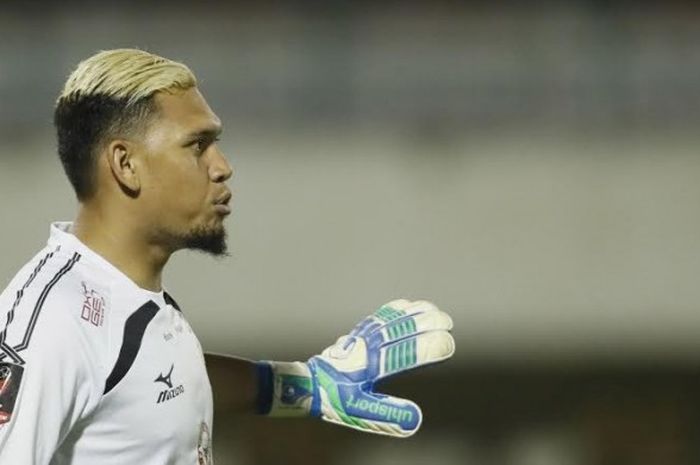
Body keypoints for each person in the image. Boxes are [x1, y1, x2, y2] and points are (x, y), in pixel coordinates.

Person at [0, 49, 455, 465]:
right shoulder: (54, 321)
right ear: (125, 164)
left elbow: (153, 380)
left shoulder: (122, 304)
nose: (221, 166)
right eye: (197, 145)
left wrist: (308, 386)